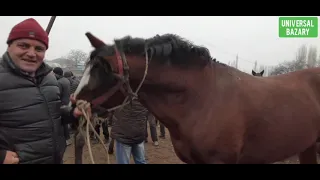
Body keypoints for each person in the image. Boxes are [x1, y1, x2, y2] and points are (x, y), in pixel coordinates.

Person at [0, 18, 89, 164]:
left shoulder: (49, 79)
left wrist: (72, 113)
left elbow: (52, 114)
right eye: (23, 46)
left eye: (39, 49)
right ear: (10, 46)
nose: (31, 53)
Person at [111, 98, 148, 164]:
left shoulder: (121, 94)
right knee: (141, 161)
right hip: (138, 134)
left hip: (124, 136)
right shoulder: (144, 95)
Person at [53, 67, 72, 146]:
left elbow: (58, 94)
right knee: (65, 121)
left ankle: (66, 139)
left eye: (54, 74)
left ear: (57, 73)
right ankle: (67, 138)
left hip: (61, 104)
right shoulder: (66, 80)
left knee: (62, 122)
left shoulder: (59, 82)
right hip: (67, 102)